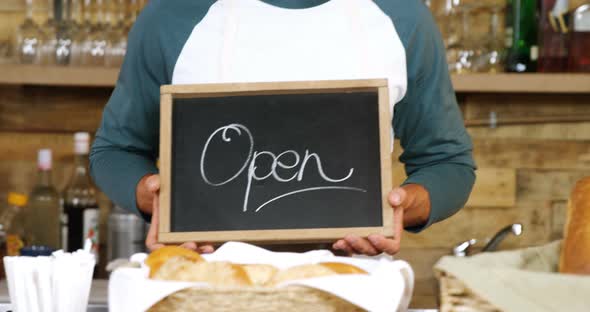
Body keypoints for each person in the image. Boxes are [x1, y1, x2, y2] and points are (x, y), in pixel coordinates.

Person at [90, 0, 476, 256]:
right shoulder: (173, 15)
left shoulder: (401, 16)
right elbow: (116, 151)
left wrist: (403, 207)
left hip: (353, 289)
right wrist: (154, 198)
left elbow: (447, 162)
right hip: (204, 290)